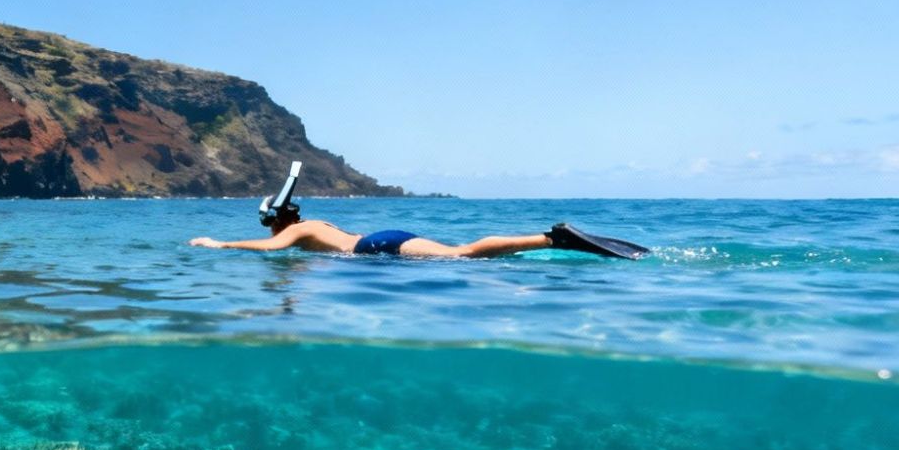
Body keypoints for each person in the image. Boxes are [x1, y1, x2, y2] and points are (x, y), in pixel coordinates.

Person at [188, 163, 649, 260]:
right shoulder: (316, 224)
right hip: (382, 237)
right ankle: (553, 239)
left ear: (278, 217)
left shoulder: (296, 230)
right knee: (461, 252)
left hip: (376, 247)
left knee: (463, 256)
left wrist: (217, 243)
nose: (272, 227)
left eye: (270, 219)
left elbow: (266, 248)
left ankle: (554, 238)